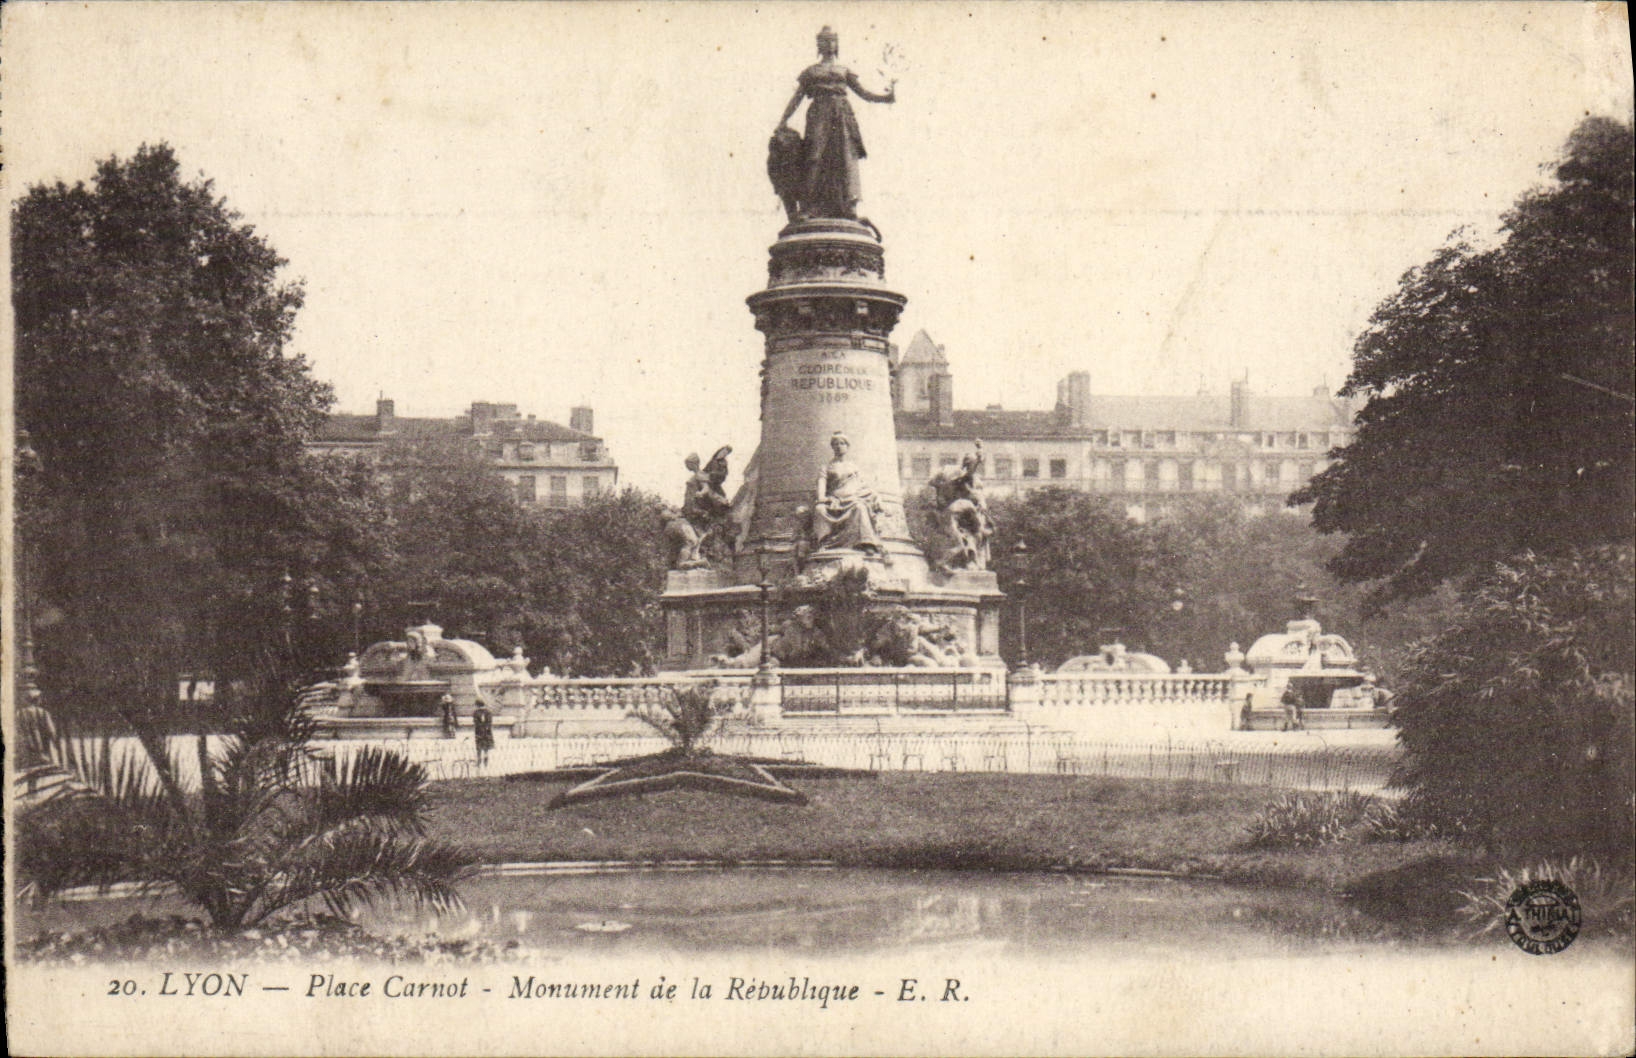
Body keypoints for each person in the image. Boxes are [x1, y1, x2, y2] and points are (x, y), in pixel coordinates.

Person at [775, 26, 896, 220]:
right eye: (824, 41)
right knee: (814, 156)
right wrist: (783, 120)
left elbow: (863, 93)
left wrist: (885, 98)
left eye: (832, 40)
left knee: (844, 158)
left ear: (837, 44)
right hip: (818, 114)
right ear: (819, 45)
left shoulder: (844, 71)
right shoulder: (811, 72)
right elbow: (796, 98)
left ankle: (849, 205)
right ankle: (809, 206)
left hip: (841, 115)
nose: (829, 44)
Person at [811, 432, 884, 554]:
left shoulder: (853, 467)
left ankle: (867, 542)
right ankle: (824, 542)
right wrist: (822, 498)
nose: (839, 446)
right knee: (820, 509)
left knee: (860, 508)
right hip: (835, 501)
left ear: (847, 446)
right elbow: (821, 483)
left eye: (842, 443)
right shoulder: (827, 467)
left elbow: (862, 484)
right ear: (832, 447)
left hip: (852, 499)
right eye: (836, 444)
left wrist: (875, 495)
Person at [471, 700, 494, 767]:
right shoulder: (488, 712)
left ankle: (479, 761)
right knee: (486, 748)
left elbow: (475, 722)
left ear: (477, 705)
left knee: (479, 747)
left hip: (479, 732)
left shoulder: (476, 712)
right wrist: (486, 728)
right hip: (487, 732)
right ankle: (486, 761)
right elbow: (489, 722)